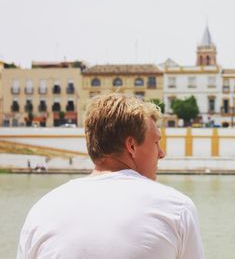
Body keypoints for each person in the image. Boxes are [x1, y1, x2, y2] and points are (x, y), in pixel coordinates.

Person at [17, 93, 204, 259]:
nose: (161, 153)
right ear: (131, 146)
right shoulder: (176, 209)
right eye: (156, 142)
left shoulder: (42, 210)